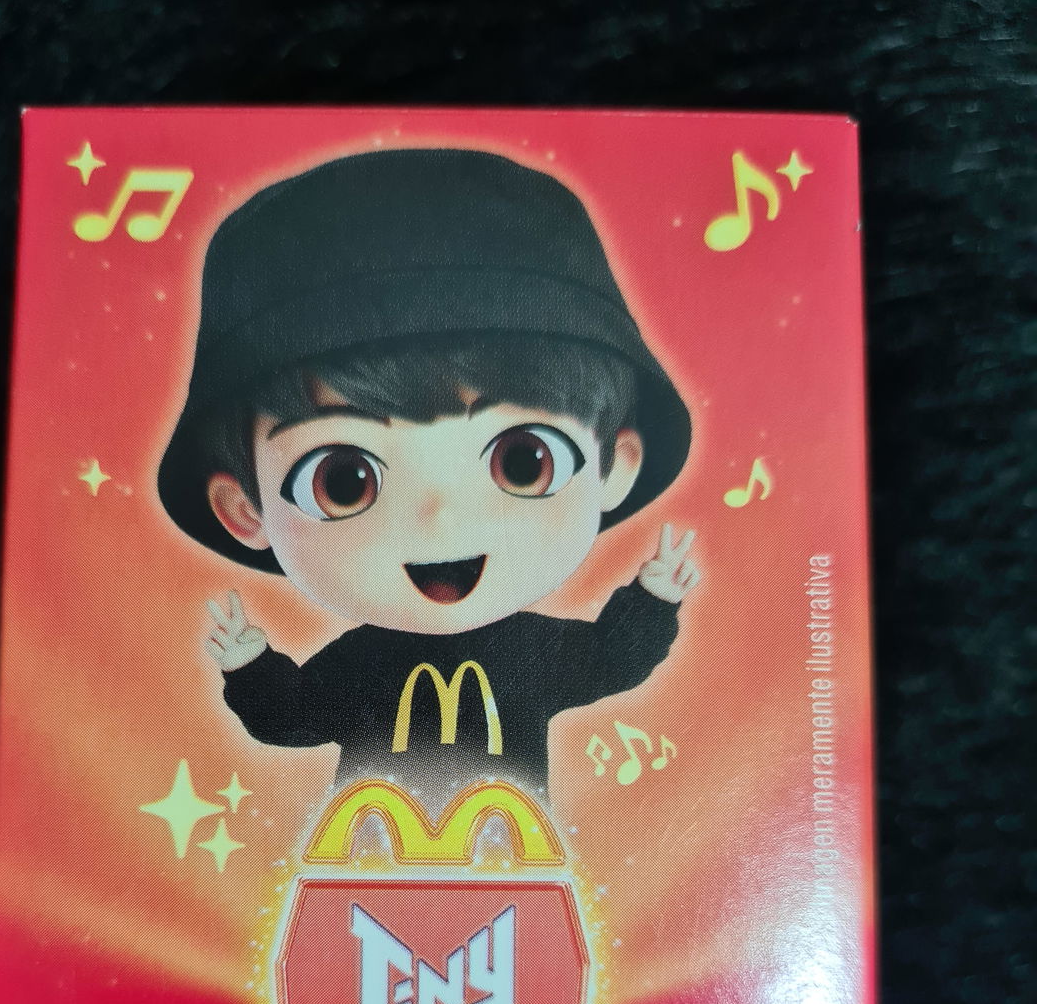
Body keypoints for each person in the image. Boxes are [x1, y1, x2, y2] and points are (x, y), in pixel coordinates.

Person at [158, 147, 701, 806]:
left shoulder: (535, 652)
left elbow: (611, 660)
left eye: (522, 462)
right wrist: (250, 665)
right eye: (345, 481)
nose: (440, 520)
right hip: (367, 851)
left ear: (615, 467)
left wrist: (651, 599)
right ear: (246, 510)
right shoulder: (358, 665)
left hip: (513, 852)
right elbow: (293, 716)